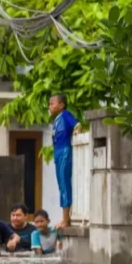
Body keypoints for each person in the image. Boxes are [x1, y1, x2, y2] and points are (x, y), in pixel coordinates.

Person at [49, 93, 80, 228]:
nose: (49, 106)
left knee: (64, 184)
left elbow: (77, 125)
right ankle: (64, 218)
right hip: (57, 152)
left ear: (61, 105)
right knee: (61, 185)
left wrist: (77, 132)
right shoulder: (56, 120)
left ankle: (66, 220)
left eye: (52, 103)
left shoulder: (66, 115)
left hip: (64, 151)